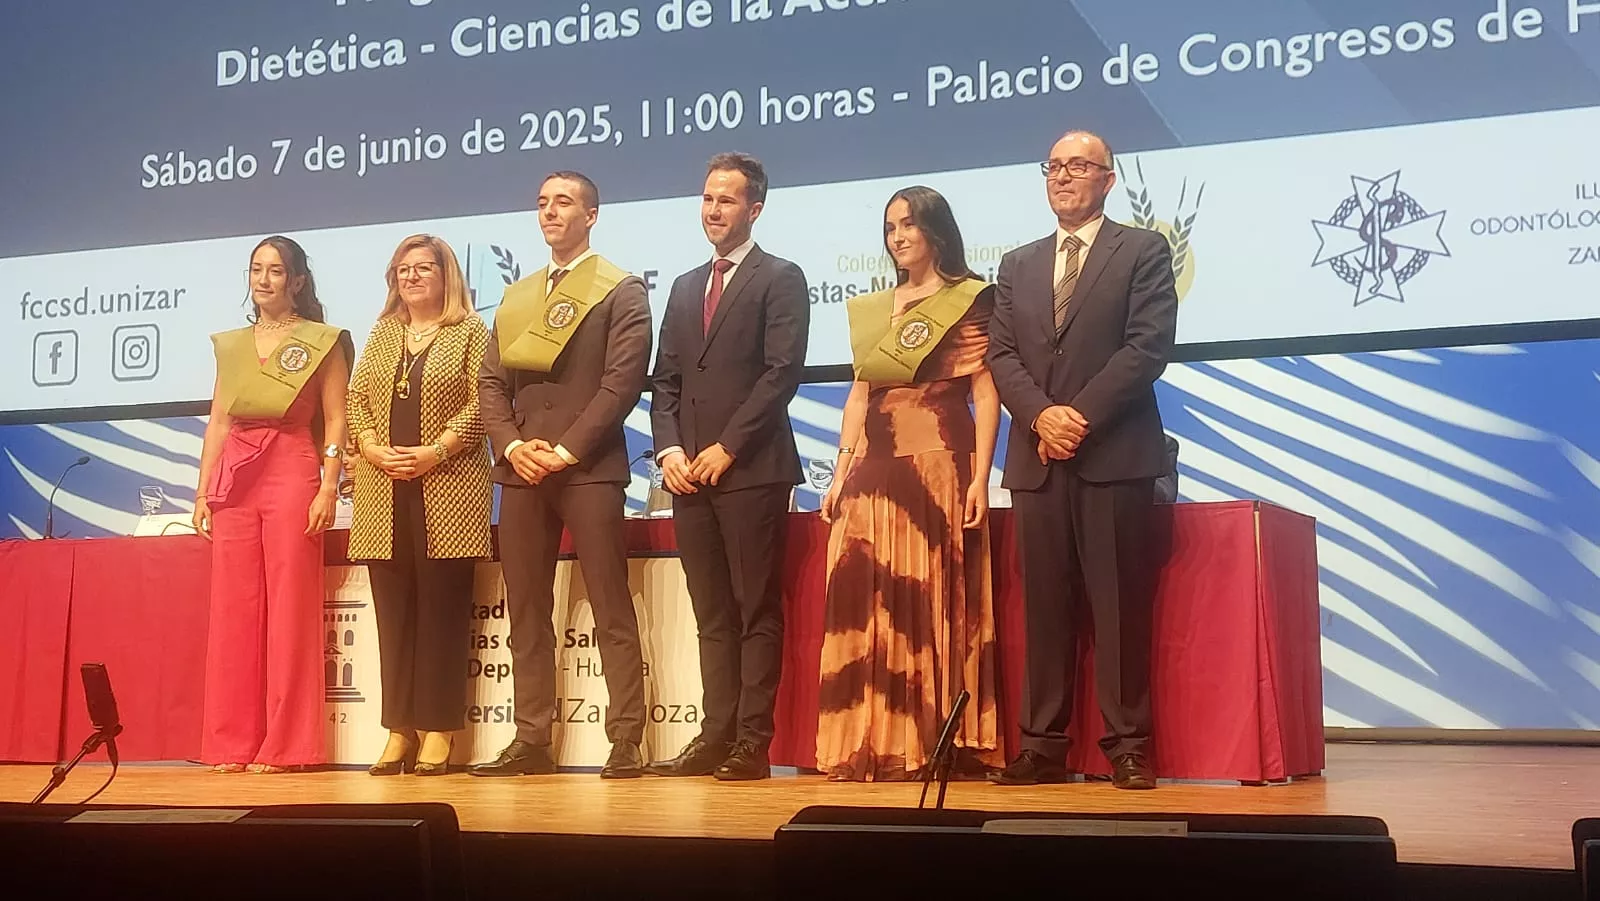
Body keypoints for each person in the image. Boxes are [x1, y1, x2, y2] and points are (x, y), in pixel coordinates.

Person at [985, 130, 1178, 790]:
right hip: (1039, 460)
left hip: (1113, 454)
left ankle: (1128, 744)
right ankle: (1042, 745)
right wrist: (1041, 415)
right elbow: (1001, 356)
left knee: (1118, 607)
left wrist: (1077, 417)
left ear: (1108, 179)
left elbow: (1146, 348)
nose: (1063, 176)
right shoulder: (1017, 264)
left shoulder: (1144, 250)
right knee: (1045, 607)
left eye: (1079, 166)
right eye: (1055, 166)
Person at [814, 186, 1003, 782]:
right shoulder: (876, 308)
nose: (898, 237)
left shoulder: (968, 299)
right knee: (865, 600)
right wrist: (840, 469)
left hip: (937, 462)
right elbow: (860, 392)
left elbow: (984, 390)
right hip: (872, 467)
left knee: (929, 599)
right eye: (890, 227)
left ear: (936, 233)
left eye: (909, 226)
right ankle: (871, 736)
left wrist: (981, 477)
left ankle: (932, 738)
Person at [472, 171, 652, 780]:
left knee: (610, 605)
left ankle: (626, 738)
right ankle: (532, 739)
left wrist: (569, 449)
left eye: (565, 203)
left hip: (589, 469)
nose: (551, 212)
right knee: (525, 609)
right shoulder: (519, 295)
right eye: (544, 203)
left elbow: (621, 384)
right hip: (522, 471)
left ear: (592, 215)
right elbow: (491, 383)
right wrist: (512, 444)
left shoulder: (621, 290)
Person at [646, 152, 809, 782]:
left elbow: (781, 373)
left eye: (728, 200)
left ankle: (751, 743)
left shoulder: (780, 277)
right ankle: (713, 737)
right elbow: (666, 380)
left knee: (752, 607)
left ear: (755, 208)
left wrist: (727, 446)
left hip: (751, 470)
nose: (714, 210)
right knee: (709, 610)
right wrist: (671, 451)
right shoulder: (687, 285)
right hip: (689, 474)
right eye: (708, 199)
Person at [193, 235, 352, 774]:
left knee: (290, 610)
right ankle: (232, 742)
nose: (264, 280)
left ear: (298, 281)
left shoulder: (322, 341)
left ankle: (287, 746)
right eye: (257, 269)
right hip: (235, 477)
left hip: (292, 469)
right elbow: (218, 420)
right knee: (233, 612)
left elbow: (336, 421)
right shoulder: (233, 345)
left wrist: (328, 485)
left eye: (276, 271)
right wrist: (202, 491)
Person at [346, 234, 492, 777]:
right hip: (383, 492)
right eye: (402, 269)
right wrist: (367, 444)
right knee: (395, 618)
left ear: (445, 274)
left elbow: (484, 402)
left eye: (423, 267)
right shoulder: (383, 332)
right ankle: (398, 729)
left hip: (448, 488)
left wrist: (437, 450)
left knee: (441, 616)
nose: (411, 277)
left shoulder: (470, 331)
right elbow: (357, 398)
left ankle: (438, 730)